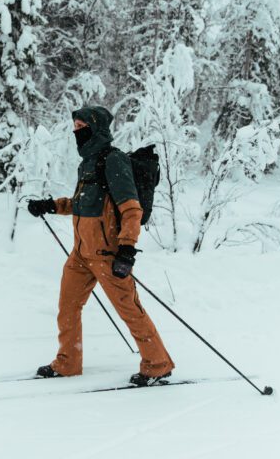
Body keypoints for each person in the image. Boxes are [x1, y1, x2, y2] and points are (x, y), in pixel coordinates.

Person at [27, 106, 175, 386]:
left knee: (129, 310)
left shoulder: (113, 160)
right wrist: (50, 205)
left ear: (96, 128)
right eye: (75, 127)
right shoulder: (88, 163)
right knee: (67, 307)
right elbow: (82, 205)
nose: (77, 132)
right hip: (81, 254)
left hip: (108, 255)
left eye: (82, 126)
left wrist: (127, 249)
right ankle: (68, 361)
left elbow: (132, 209)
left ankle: (158, 364)